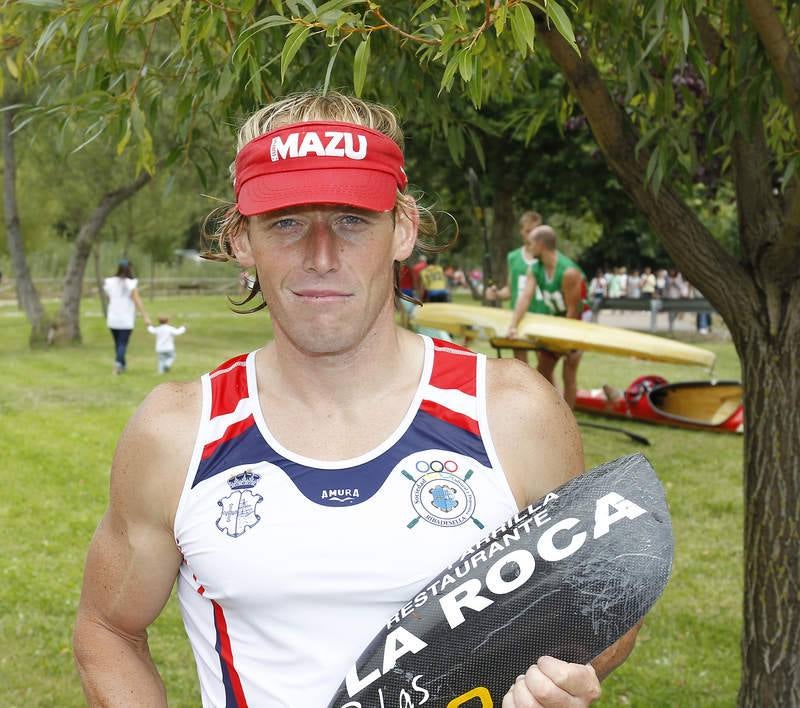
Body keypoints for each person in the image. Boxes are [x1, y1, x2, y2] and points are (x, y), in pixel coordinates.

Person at [74, 92, 637, 708]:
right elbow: (108, 629)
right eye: (286, 222)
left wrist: (564, 677)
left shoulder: (512, 412)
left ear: (403, 229)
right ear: (241, 239)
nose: (321, 256)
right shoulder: (178, 432)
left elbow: (603, 600)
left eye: (351, 219)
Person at [507, 225, 588, 410]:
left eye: (531, 243)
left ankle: (568, 417)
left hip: (577, 322)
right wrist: (513, 325)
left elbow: (573, 311)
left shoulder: (568, 272)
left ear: (541, 244)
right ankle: (552, 411)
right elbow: (525, 297)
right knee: (542, 371)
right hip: (556, 321)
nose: (528, 248)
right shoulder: (536, 268)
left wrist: (564, 342)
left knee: (569, 371)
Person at [485, 210, 547, 363]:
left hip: (541, 317)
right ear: (521, 231)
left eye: (535, 231)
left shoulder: (545, 257)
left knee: (544, 368)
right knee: (521, 365)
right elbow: (510, 290)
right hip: (518, 320)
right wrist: (497, 294)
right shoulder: (513, 257)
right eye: (528, 231)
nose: (531, 236)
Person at [103, 259, 150, 374]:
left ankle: (122, 365)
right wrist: (145, 316)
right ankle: (117, 365)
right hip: (126, 318)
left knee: (118, 344)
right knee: (122, 343)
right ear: (130, 269)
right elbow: (137, 300)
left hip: (113, 317)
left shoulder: (109, 282)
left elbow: (108, 298)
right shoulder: (131, 283)